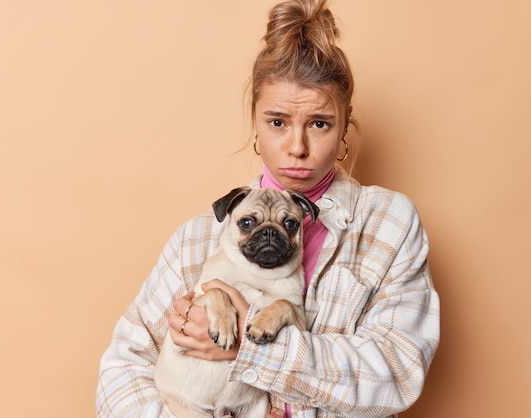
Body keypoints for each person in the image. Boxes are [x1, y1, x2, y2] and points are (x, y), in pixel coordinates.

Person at [96, 0, 440, 416]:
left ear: (345, 126)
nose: (297, 147)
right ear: (255, 124)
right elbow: (122, 368)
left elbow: (398, 374)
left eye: (319, 123)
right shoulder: (198, 237)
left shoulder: (389, 225)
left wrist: (255, 352)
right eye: (278, 122)